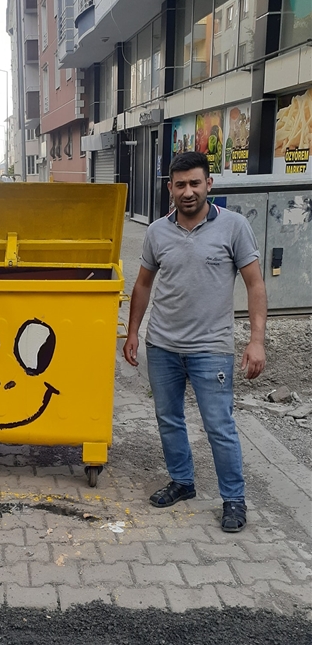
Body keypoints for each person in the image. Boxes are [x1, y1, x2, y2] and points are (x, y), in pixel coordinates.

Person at [122, 151, 266, 533]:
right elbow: (142, 285)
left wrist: (257, 341)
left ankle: (233, 499)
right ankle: (182, 482)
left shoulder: (234, 227)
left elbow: (255, 284)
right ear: (170, 188)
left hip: (211, 349)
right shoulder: (156, 232)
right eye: (180, 184)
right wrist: (134, 332)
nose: (188, 192)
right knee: (168, 419)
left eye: (195, 183)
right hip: (162, 345)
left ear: (209, 185)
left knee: (219, 425)